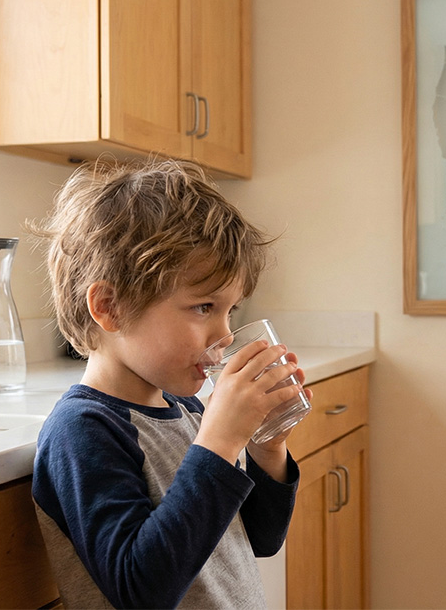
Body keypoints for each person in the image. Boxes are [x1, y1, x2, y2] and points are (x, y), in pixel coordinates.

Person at [29, 158, 306, 609]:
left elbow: (261, 537)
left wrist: (266, 447)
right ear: (111, 307)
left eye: (230, 310)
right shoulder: (84, 431)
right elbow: (141, 589)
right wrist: (219, 442)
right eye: (203, 307)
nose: (225, 335)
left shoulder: (191, 410)